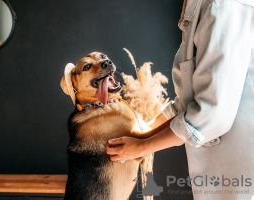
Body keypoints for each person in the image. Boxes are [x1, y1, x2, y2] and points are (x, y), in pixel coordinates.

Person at [106, 0, 254, 199]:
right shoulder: (200, 6)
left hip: (240, 162)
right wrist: (140, 134)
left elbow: (211, 114)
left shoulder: (222, 6)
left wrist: (142, 147)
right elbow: (185, 103)